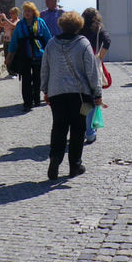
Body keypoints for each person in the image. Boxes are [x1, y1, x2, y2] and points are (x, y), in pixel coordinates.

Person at [40, 11, 104, 179]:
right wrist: (97, 93)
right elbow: (91, 72)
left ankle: (55, 159)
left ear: (62, 25)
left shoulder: (52, 44)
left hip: (56, 93)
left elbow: (45, 68)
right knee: (78, 128)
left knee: (59, 127)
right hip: (80, 96)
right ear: (78, 26)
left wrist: (45, 90)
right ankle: (75, 165)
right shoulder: (84, 44)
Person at [6, 2, 52, 112]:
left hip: (38, 55)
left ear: (33, 12)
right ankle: (27, 102)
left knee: (37, 78)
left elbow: (48, 38)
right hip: (24, 56)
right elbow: (14, 42)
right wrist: (9, 57)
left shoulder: (40, 23)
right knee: (26, 79)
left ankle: (36, 98)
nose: (27, 13)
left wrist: (51, 54)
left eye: (29, 11)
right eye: (25, 11)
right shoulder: (20, 25)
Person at [79, 7, 111, 145]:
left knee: (82, 97)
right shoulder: (98, 28)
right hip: (93, 63)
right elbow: (107, 41)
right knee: (94, 96)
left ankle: (81, 129)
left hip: (80, 63)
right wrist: (100, 57)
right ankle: (90, 131)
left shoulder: (79, 27)